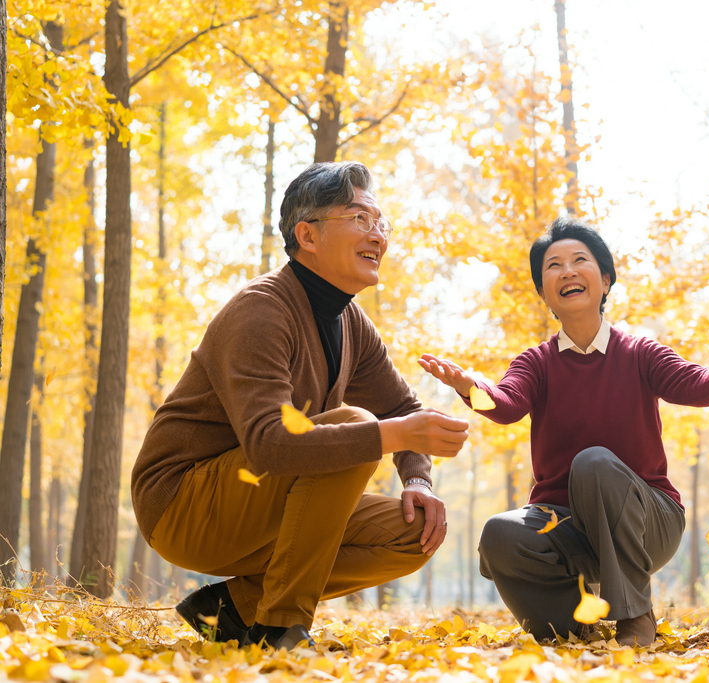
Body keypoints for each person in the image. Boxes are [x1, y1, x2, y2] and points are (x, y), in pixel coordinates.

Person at [419, 217, 709, 646]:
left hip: (647, 521)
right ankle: (571, 628)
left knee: (593, 463)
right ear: (543, 292)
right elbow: (506, 405)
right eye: (553, 266)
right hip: (564, 527)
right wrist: (468, 386)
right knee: (500, 532)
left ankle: (635, 620)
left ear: (605, 280)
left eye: (579, 260)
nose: (567, 271)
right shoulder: (537, 362)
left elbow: (696, 387)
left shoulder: (640, 353)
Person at [131, 162, 469, 650]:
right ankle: (279, 630)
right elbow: (270, 445)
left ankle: (229, 609)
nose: (377, 235)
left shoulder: (352, 322)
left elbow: (400, 404)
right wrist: (392, 435)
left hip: (262, 504)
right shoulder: (260, 310)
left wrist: (417, 478)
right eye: (359, 219)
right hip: (185, 505)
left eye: (381, 223)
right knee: (356, 426)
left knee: (413, 532)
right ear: (307, 236)